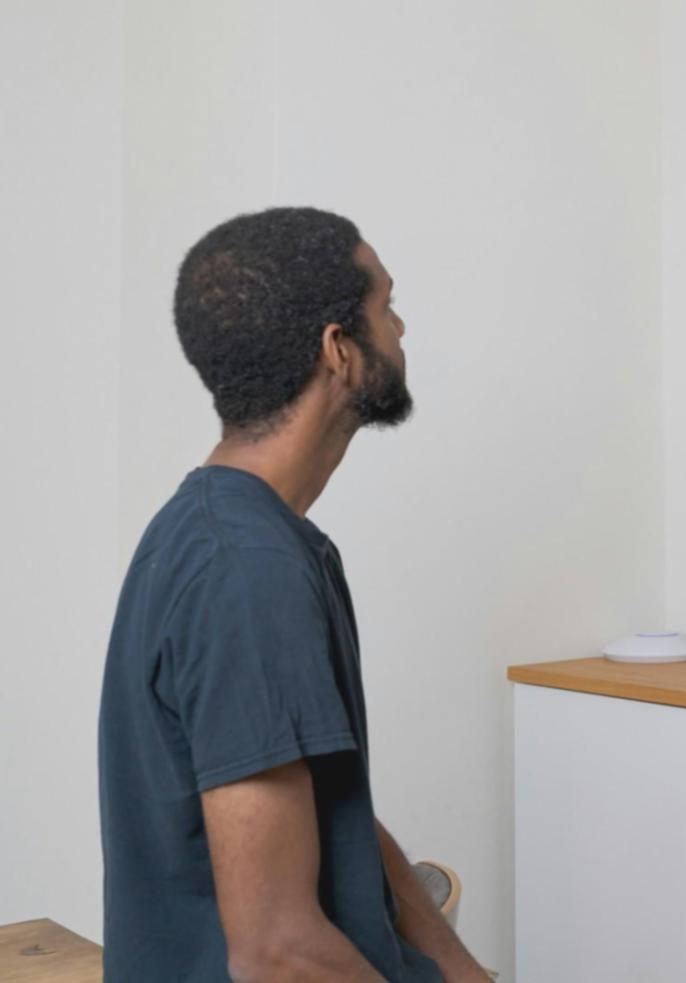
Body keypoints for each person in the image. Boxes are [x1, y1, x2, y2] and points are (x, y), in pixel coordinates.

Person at [98, 207, 489, 981]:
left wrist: (456, 965)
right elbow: (276, 950)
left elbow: (317, 797)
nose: (402, 328)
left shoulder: (231, 534)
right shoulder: (246, 573)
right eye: (386, 306)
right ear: (338, 350)